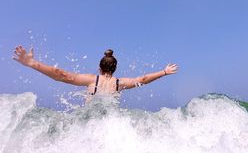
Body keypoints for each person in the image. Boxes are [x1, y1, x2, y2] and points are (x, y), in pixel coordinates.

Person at [13, 45, 178, 97]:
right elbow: (143, 79)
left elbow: (61, 75)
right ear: (115, 68)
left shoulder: (92, 80)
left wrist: (32, 63)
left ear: (100, 67)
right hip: (109, 128)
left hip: (91, 126)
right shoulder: (120, 83)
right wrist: (163, 72)